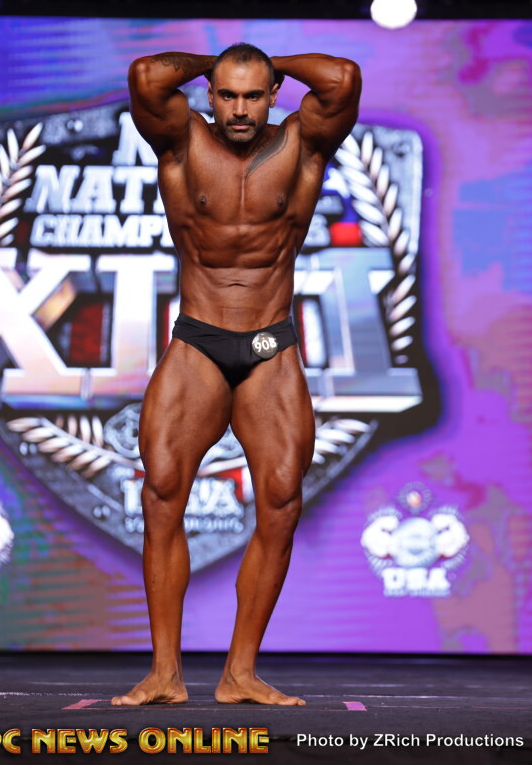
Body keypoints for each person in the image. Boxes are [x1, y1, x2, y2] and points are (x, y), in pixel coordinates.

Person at [111, 44, 361, 707]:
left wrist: (266, 60)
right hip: (199, 340)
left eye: (253, 95)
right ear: (210, 95)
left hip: (270, 347)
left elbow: (343, 79)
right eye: (227, 95)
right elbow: (145, 76)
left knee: (281, 503)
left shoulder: (304, 145)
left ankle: (239, 673)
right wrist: (217, 60)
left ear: (274, 93)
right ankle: (164, 673)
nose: (240, 109)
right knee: (162, 496)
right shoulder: (181, 140)